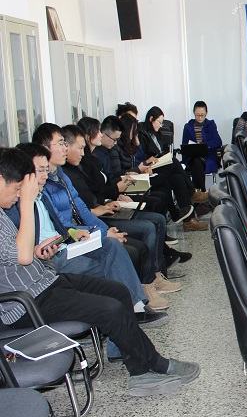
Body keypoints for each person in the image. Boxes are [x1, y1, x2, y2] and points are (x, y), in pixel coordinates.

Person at [0, 147, 199, 397]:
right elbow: (21, 257)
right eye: (18, 188)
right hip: (25, 303)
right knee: (110, 309)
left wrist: (36, 249)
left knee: (118, 291)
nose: (20, 195)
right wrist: (28, 203)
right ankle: (156, 364)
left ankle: (138, 370)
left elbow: (15, 253)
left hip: (43, 282)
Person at [8, 143, 168, 326]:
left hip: (65, 245)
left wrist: (75, 233)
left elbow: (61, 223)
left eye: (46, 170)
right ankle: (130, 314)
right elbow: (21, 248)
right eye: (41, 171)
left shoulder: (42, 195)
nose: (45, 176)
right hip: (50, 258)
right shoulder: (17, 204)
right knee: (109, 268)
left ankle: (137, 307)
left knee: (111, 244)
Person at [60, 124, 181, 299]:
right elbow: (82, 211)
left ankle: (155, 275)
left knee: (157, 216)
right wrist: (103, 226)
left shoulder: (78, 167)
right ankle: (146, 285)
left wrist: (111, 200)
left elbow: (89, 201)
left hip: (101, 214)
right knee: (148, 228)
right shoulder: (67, 173)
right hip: (90, 225)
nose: (81, 152)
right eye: (78, 148)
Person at [117, 114, 206, 232]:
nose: (136, 133)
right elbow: (124, 170)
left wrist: (144, 163)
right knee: (172, 164)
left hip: (143, 172)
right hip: (134, 179)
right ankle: (191, 195)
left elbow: (141, 159)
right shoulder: (120, 147)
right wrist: (141, 167)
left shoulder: (139, 140)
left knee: (177, 178)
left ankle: (188, 220)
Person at [140, 106, 207, 205]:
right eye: (159, 122)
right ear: (151, 119)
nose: (161, 125)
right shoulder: (143, 135)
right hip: (150, 167)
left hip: (159, 163)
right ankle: (193, 192)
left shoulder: (156, 134)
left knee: (178, 177)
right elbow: (145, 155)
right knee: (175, 162)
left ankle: (187, 211)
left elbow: (162, 150)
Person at [181, 100, 222, 193]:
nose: (200, 117)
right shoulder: (188, 127)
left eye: (202, 115)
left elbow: (218, 141)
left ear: (206, 113)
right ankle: (202, 191)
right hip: (192, 158)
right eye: (197, 115)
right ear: (194, 113)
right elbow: (184, 145)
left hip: (208, 157)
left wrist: (205, 146)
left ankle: (197, 192)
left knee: (197, 163)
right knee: (196, 161)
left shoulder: (211, 125)